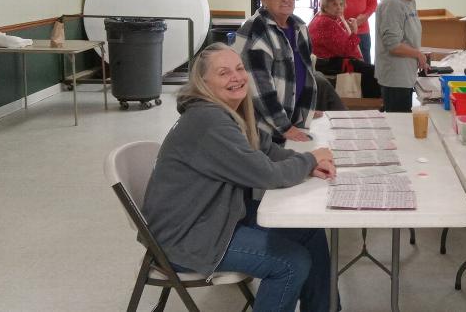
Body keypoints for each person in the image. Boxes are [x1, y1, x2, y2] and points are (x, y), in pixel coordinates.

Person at [142, 43, 336, 312]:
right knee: (291, 264)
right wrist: (310, 159)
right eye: (223, 73)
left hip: (219, 216)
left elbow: (266, 150)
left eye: (239, 68)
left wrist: (304, 165)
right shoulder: (208, 121)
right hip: (188, 238)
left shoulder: (228, 110)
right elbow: (266, 174)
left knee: (309, 230)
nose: (236, 77)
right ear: (203, 82)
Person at [235, 0, 317, 144]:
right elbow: (259, 88)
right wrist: (284, 127)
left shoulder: (299, 27)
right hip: (264, 130)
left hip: (291, 121)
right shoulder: (255, 30)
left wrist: (305, 111)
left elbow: (305, 73)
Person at [376, 0, 427, 112]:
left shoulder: (410, 1)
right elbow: (393, 45)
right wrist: (418, 54)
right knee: (398, 126)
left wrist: (419, 55)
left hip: (406, 75)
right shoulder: (392, 3)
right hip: (395, 78)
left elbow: (408, 37)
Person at [309, 0, 381, 98]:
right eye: (334, 4)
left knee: (369, 68)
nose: (339, 7)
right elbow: (346, 50)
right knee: (373, 72)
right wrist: (354, 32)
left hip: (324, 62)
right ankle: (372, 105)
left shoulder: (319, 18)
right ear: (325, 6)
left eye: (341, 4)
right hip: (330, 64)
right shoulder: (327, 23)